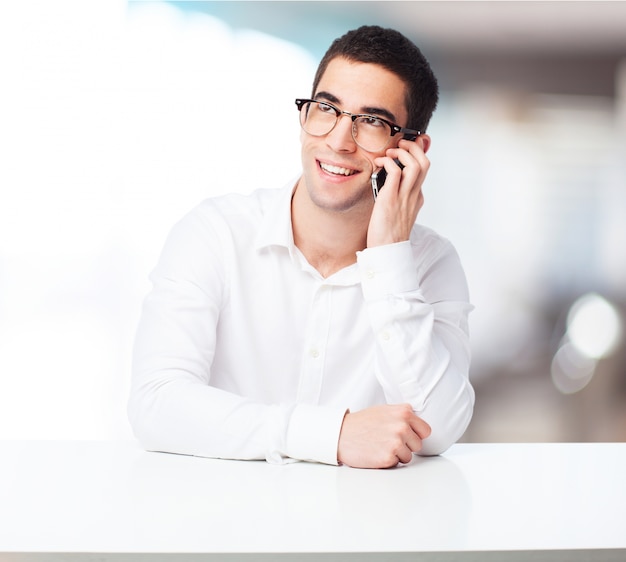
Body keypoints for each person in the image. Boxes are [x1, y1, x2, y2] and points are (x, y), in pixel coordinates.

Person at [128, 25, 474, 469]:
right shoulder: (214, 234)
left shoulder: (430, 264)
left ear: (411, 149)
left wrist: (389, 258)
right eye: (326, 108)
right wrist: (332, 434)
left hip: (359, 533)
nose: (338, 140)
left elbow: (439, 428)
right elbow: (155, 404)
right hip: (219, 528)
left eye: (371, 121)